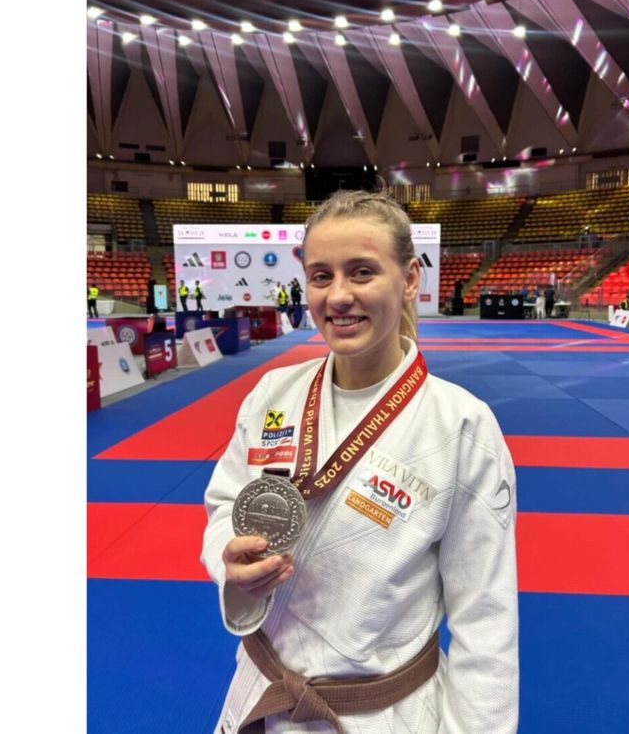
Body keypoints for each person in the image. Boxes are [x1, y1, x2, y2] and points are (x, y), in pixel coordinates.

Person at [201, 189, 519, 734]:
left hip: (380, 715)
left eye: (363, 272)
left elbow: (484, 618)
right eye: (321, 276)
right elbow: (225, 502)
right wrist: (228, 562)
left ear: (410, 278)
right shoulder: (273, 393)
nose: (338, 296)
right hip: (262, 695)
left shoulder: (461, 425)